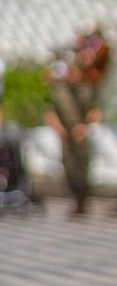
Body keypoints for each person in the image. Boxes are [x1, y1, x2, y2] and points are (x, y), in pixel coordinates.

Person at [48, 49, 102, 218]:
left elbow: (95, 111)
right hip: (66, 135)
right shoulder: (60, 90)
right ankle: (75, 200)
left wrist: (84, 128)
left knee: (83, 167)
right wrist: (59, 128)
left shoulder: (86, 89)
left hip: (81, 134)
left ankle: (83, 201)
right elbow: (51, 111)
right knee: (69, 167)